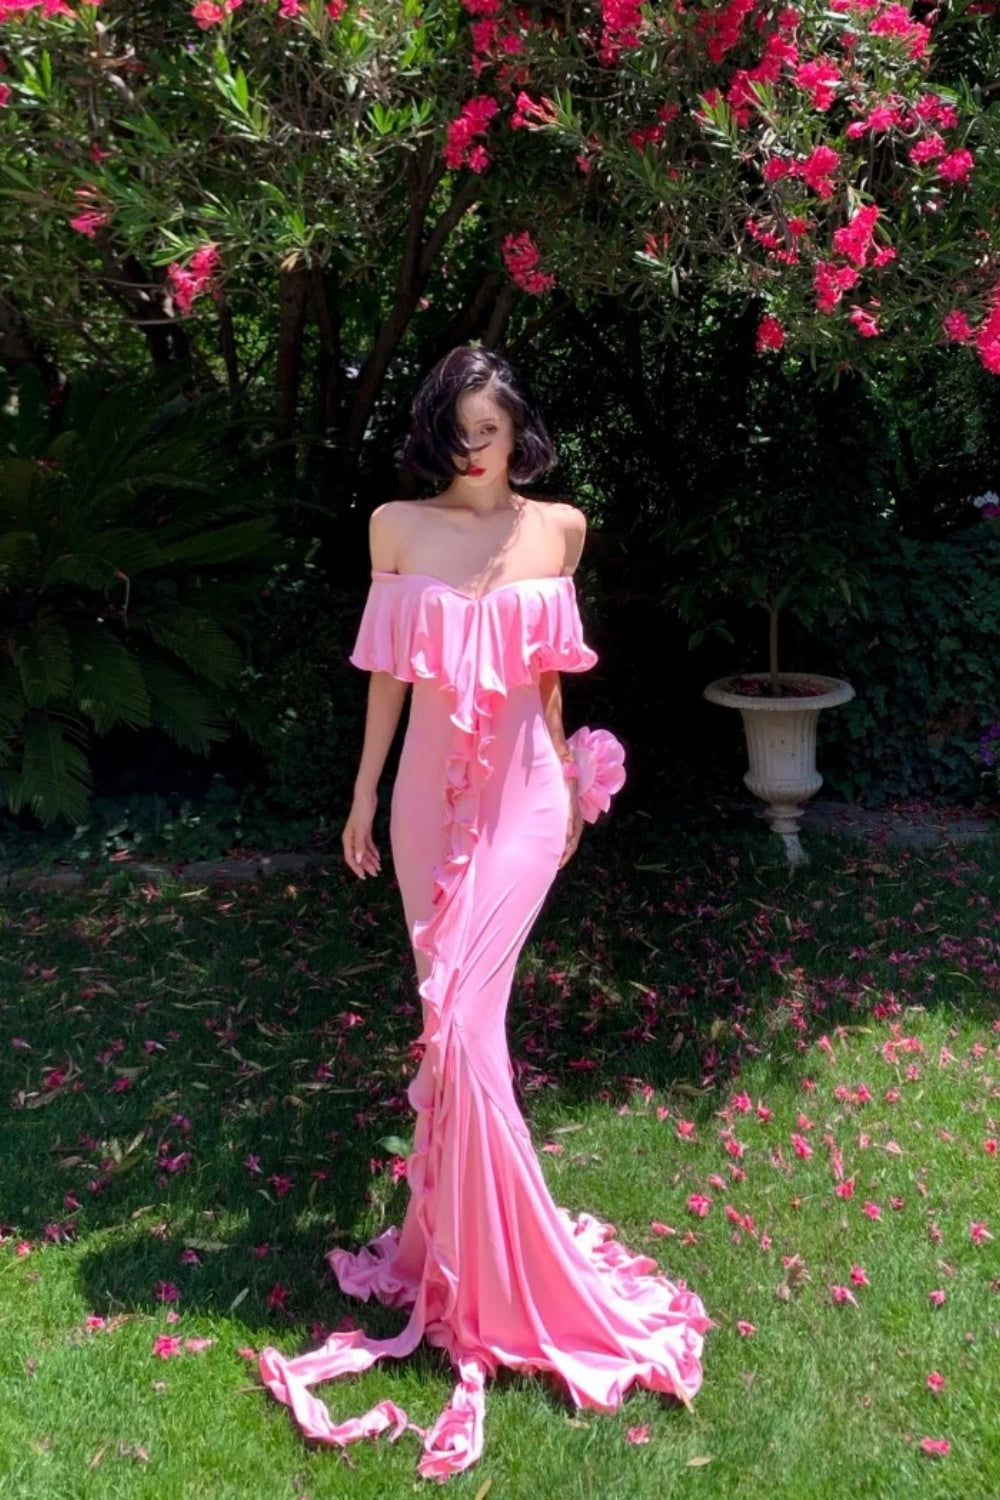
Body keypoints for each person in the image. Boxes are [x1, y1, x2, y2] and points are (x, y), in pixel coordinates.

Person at [259, 346, 709, 1480]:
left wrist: (568, 787)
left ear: (520, 435)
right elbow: (386, 673)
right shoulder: (395, 527)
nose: (472, 450)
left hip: (524, 803)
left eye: (490, 431)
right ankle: (455, 1250)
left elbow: (549, 676)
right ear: (434, 434)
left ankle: (521, 1277)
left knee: (469, 1026)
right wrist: (361, 793)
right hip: (423, 803)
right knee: (447, 1029)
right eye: (456, 432)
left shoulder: (559, 530)